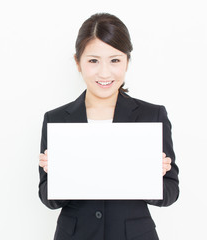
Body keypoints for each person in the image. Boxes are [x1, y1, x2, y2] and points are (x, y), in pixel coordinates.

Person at [38, 13, 179, 240]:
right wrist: (60, 173)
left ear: (127, 61)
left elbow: (171, 192)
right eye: (93, 60)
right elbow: (47, 198)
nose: (104, 72)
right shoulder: (56, 119)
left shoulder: (152, 115)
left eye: (115, 60)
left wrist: (147, 175)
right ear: (78, 62)